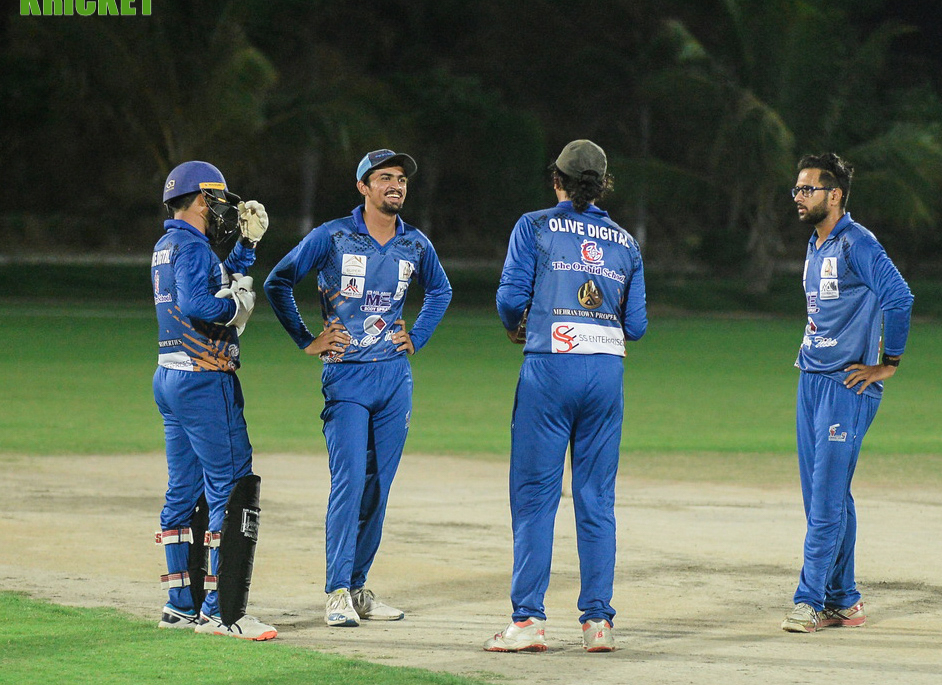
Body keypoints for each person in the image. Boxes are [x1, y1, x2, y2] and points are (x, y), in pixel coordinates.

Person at [263, 148, 452, 628]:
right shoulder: (332, 236)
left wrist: (418, 335)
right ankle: (336, 592)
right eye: (384, 177)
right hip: (347, 376)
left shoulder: (415, 243)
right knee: (348, 484)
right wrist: (308, 339)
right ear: (363, 187)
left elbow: (441, 290)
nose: (396, 185)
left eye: (401, 179)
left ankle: (359, 586)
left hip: (394, 379)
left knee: (378, 489)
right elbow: (277, 282)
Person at [485, 139, 647, 654]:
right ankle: (598, 623)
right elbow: (636, 325)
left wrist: (519, 325)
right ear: (603, 185)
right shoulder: (626, 242)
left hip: (550, 370)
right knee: (597, 499)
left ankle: (528, 621)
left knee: (535, 497)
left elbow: (510, 298)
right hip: (606, 374)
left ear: (555, 179)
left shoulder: (533, 225)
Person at [781, 153, 914, 633]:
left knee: (826, 501)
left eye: (808, 189)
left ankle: (808, 601)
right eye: (796, 190)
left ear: (834, 195)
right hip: (811, 380)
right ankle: (843, 599)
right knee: (827, 497)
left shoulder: (857, 243)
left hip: (847, 386)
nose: (798, 197)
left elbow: (899, 297)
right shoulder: (816, 244)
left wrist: (888, 364)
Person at [151, 160, 277, 641]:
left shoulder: (168, 244)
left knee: (183, 491)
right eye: (219, 199)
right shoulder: (192, 246)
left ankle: (180, 605)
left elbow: (216, 276)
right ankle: (225, 613)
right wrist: (236, 307)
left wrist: (247, 248)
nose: (224, 208)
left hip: (170, 375)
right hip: (205, 380)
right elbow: (200, 302)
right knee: (232, 487)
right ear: (202, 199)